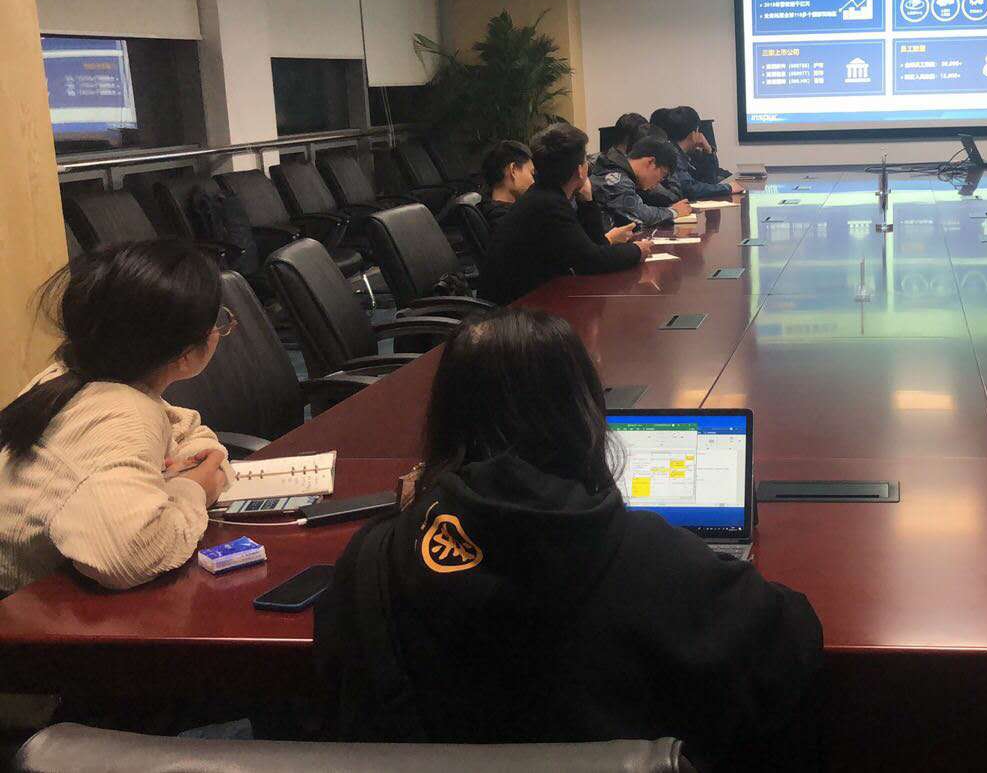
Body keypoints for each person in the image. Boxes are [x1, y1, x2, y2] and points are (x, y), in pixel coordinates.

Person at [315, 310, 824, 769]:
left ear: (446, 417)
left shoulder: (371, 562)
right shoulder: (648, 559)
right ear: (583, 415)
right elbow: (789, 642)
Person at [0, 240, 235, 595]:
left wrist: (201, 462)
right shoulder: (125, 414)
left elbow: (183, 427)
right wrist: (194, 489)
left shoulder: (69, 377)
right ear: (186, 354)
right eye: (217, 322)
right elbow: (129, 558)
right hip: (27, 614)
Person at [480, 123, 651, 303]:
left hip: (532, 297)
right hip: (514, 310)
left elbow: (595, 247)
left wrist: (587, 200)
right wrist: (637, 250)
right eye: (585, 160)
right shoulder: (547, 204)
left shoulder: (545, 196)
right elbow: (591, 261)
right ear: (579, 170)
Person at [590, 135, 693, 228]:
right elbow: (639, 215)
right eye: (663, 175)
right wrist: (673, 212)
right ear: (651, 162)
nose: (659, 182)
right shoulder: (617, 179)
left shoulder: (620, 171)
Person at [653, 106, 744, 199]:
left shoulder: (680, 154)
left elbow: (708, 181)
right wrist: (727, 188)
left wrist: (708, 151)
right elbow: (690, 189)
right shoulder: (672, 155)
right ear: (694, 133)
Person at [478, 139, 533, 233]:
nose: (533, 181)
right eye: (531, 173)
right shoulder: (510, 222)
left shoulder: (486, 209)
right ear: (513, 170)